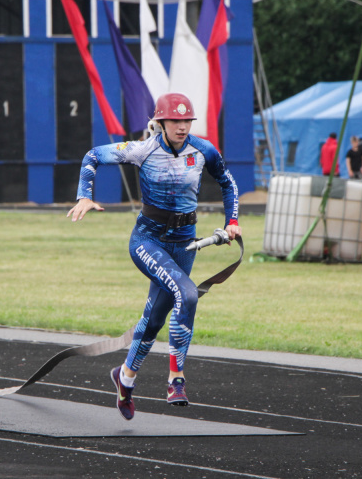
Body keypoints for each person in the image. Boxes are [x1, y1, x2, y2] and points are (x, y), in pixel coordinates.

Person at [67, 92, 241, 421]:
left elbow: (227, 182)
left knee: (157, 318)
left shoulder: (204, 150)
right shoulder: (143, 149)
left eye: (187, 120)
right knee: (187, 293)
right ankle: (176, 379)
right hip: (148, 240)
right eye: (175, 121)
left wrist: (231, 222)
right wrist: (85, 196)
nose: (182, 126)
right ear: (160, 122)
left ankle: (125, 377)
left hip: (185, 243)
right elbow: (92, 156)